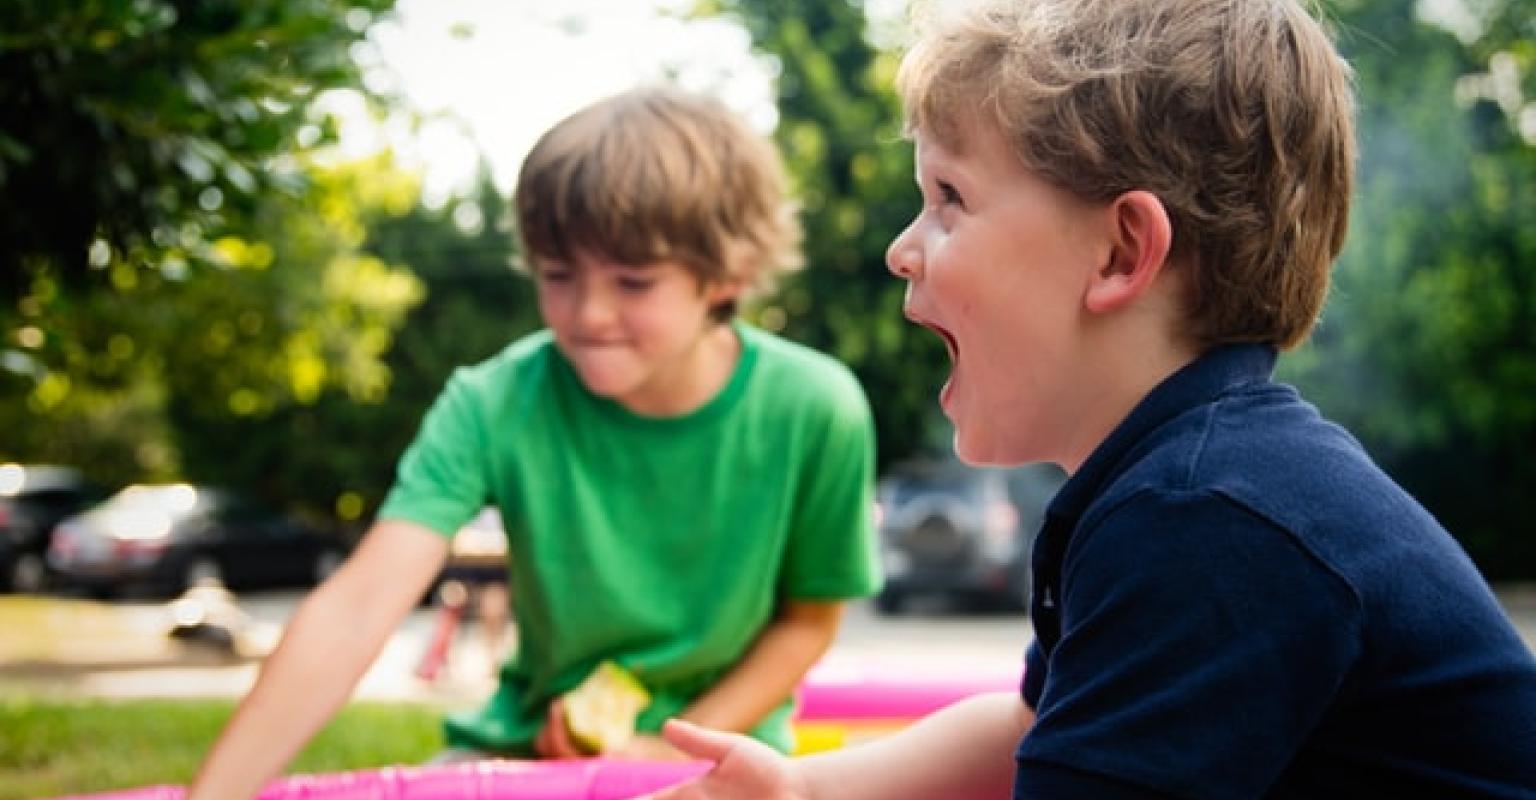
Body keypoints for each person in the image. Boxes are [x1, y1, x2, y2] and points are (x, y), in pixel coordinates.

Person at [640, 1, 1536, 798]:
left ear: (1118, 254)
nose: (900, 250)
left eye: (949, 197)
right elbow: (1028, 733)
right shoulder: (1184, 482)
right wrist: (803, 789)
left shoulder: (1207, 519)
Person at [186, 86, 881, 799]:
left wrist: (662, 750)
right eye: (558, 275)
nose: (588, 313)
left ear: (725, 276)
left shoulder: (816, 407)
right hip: (525, 755)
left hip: (728, 762)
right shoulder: (492, 401)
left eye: (634, 282)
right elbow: (361, 603)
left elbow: (807, 620)